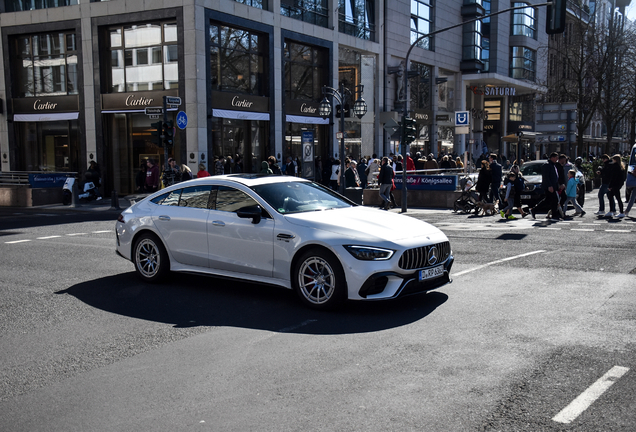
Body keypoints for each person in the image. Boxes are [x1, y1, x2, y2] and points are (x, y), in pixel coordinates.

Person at [530, 152, 561, 221]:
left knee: (548, 200)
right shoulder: (547, 165)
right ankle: (554, 215)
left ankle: (534, 209)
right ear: (552, 158)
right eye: (556, 158)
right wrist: (549, 186)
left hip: (553, 186)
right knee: (554, 200)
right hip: (549, 186)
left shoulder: (553, 165)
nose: (557, 159)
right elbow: (546, 177)